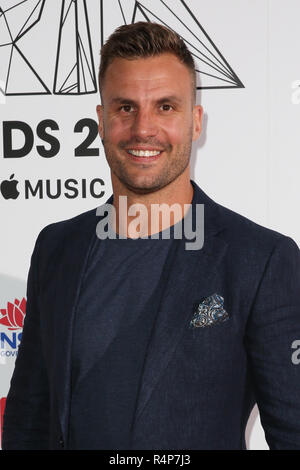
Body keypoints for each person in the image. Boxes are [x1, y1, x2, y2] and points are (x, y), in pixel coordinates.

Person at [3, 22, 300, 450]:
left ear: (195, 122)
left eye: (165, 107)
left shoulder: (260, 259)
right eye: (125, 107)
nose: (144, 129)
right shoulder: (56, 248)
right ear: (101, 122)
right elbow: (28, 421)